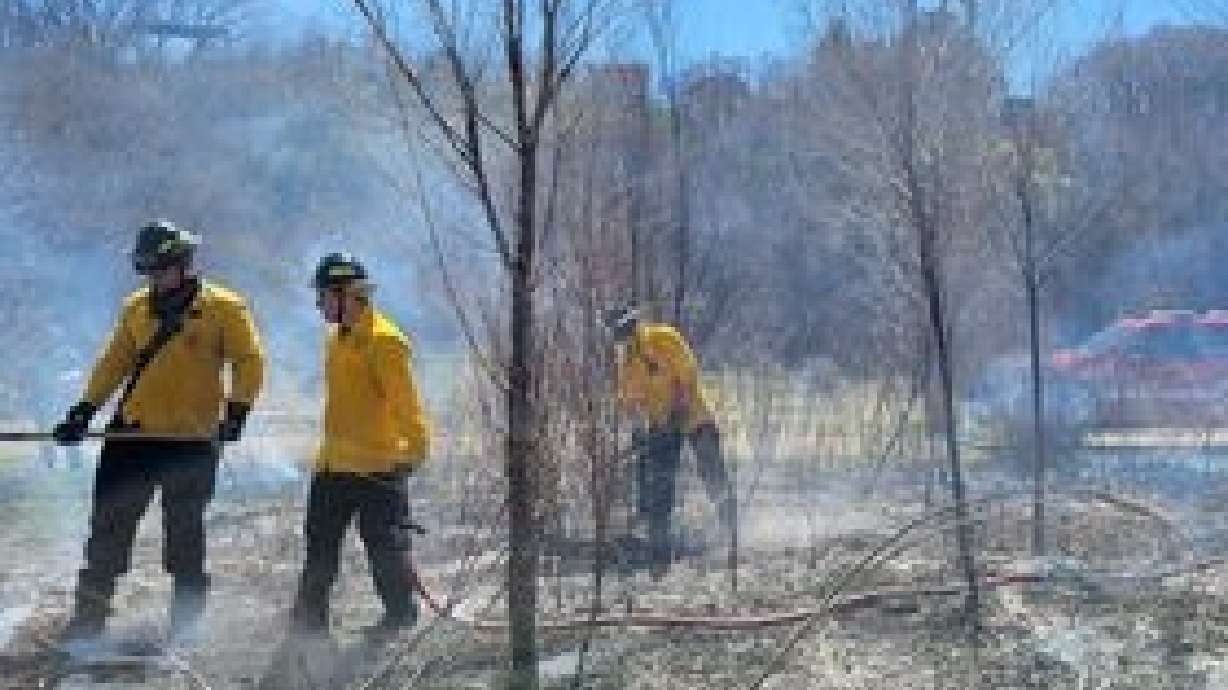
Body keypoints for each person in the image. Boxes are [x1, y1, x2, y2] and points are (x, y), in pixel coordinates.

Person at [53, 219, 265, 642]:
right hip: (131, 437)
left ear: (184, 264)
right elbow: (113, 363)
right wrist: (84, 410)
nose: (153, 278)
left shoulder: (226, 307)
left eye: (160, 269)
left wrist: (237, 411)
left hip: (191, 442)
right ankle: (88, 623)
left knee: (185, 535)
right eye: (147, 269)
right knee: (108, 533)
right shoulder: (135, 308)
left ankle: (186, 626)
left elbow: (249, 361)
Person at [289, 253, 431, 639]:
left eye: (323, 296)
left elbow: (407, 405)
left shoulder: (385, 342)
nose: (319, 304)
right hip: (333, 467)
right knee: (319, 549)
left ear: (345, 294)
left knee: (384, 551)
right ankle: (308, 625)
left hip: (377, 471)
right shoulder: (337, 339)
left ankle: (400, 616)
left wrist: (414, 452)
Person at [605, 305, 732, 579]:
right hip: (661, 426)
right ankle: (659, 552)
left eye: (626, 329)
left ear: (634, 324)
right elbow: (629, 402)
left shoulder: (664, 337)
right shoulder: (627, 365)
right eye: (619, 333)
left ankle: (731, 529)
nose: (625, 336)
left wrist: (679, 407)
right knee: (660, 487)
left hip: (694, 415)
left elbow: (687, 374)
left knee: (712, 470)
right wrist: (639, 430)